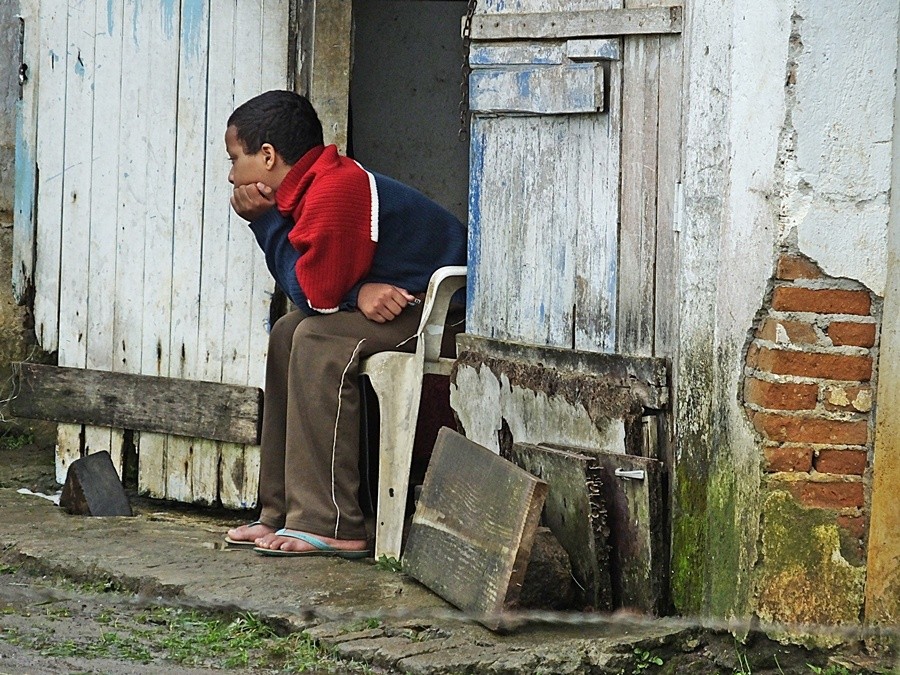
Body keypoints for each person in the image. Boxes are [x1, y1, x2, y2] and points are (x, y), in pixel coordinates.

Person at [222, 90, 466, 557]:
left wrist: (265, 223)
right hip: (402, 302)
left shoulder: (333, 191)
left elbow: (312, 294)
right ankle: (279, 510)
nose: (232, 176)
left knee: (316, 339)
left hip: (445, 311)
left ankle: (331, 521)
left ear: (268, 157)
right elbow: (323, 291)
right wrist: (358, 294)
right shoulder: (313, 186)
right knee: (286, 333)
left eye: (236, 159)